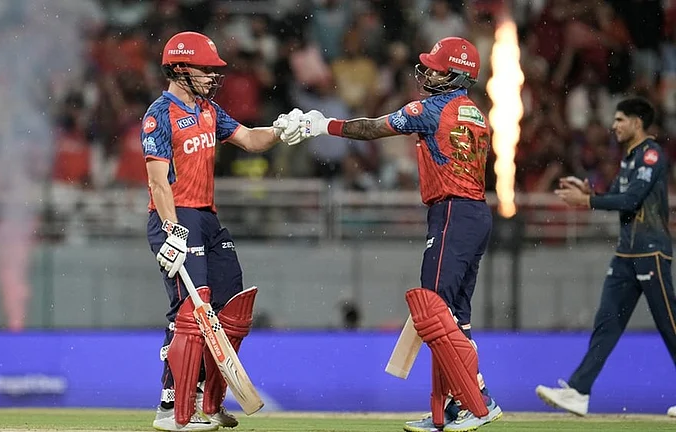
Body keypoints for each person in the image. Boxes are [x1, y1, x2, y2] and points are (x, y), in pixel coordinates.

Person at [276, 36, 502, 432]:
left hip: (452, 211)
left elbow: (371, 129)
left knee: (433, 310)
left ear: (454, 75)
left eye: (435, 67)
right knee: (455, 317)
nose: (427, 73)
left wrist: (321, 124)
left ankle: (476, 399)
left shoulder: (431, 109)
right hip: (474, 213)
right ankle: (453, 407)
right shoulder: (475, 111)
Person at [142, 31, 292, 432]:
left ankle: (209, 399)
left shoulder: (209, 110)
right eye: (205, 68)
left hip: (207, 218)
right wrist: (172, 230)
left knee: (229, 307)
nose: (212, 76)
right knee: (190, 312)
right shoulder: (160, 114)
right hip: (174, 217)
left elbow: (248, 139)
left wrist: (285, 129)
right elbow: (158, 182)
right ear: (179, 68)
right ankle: (171, 407)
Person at [536, 97, 676, 417]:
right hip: (626, 254)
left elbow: (630, 200)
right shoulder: (628, 159)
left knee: (670, 325)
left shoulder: (651, 155)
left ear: (637, 123)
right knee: (606, 323)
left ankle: (578, 390)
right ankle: (578, 392)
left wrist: (586, 203)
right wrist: (588, 192)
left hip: (651, 251)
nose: (614, 126)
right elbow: (614, 196)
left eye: (620, 120)